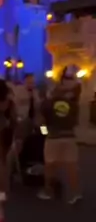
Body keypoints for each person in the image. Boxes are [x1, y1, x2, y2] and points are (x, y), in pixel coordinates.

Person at [39, 73, 81, 203]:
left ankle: (48, 191)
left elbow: (41, 121)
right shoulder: (73, 104)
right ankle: (75, 193)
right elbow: (75, 122)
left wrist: (45, 133)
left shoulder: (47, 103)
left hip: (53, 136)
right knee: (71, 166)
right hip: (69, 136)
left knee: (49, 165)